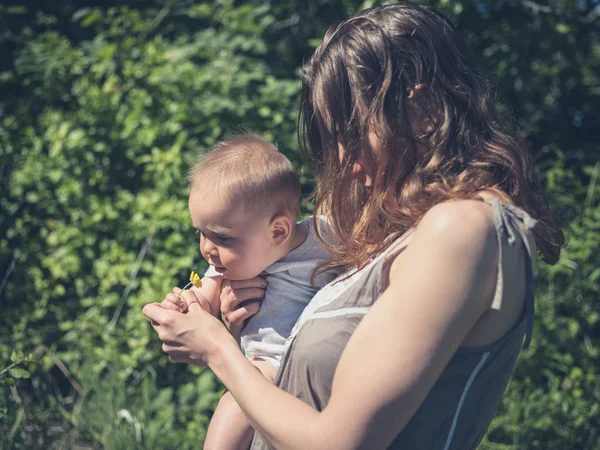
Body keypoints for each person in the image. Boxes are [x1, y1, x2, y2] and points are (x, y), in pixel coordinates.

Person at [143, 3, 564, 449]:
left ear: (420, 108)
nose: (341, 158)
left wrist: (217, 352)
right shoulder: (407, 234)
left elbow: (338, 442)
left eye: (351, 131)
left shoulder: (462, 228)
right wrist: (246, 320)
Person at [159, 133, 338, 450]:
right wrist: (184, 306)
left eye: (222, 238)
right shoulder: (229, 263)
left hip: (306, 364)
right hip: (262, 367)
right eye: (201, 233)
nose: (207, 250)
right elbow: (205, 297)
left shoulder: (325, 235)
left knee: (233, 407)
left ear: (278, 231)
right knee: (234, 407)